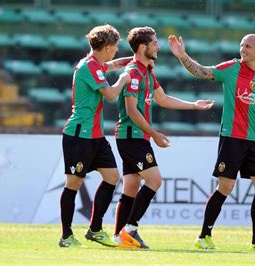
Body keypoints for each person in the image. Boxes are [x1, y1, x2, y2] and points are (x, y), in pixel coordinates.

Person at [168, 33, 255, 250]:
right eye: (242, 45)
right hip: (232, 137)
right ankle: (203, 236)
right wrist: (182, 56)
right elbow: (203, 72)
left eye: (248, 46)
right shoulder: (231, 68)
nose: (243, 49)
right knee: (225, 186)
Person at [113, 26, 214, 249]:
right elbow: (131, 111)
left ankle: (118, 236)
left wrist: (194, 106)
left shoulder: (147, 71)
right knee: (155, 180)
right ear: (142, 47)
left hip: (137, 136)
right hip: (132, 136)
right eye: (155, 43)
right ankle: (130, 229)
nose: (158, 46)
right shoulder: (133, 73)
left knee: (131, 185)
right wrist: (154, 134)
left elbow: (163, 98)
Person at [59, 24, 132, 248]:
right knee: (73, 183)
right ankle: (66, 236)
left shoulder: (96, 64)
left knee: (112, 177)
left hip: (96, 136)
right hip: (80, 135)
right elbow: (110, 94)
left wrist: (135, 59)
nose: (117, 51)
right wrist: (124, 79)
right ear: (108, 46)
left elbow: (111, 65)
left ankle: (95, 230)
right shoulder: (88, 66)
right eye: (116, 47)